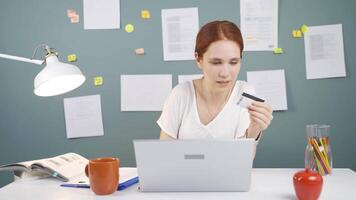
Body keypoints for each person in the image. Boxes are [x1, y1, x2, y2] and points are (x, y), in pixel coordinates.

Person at [157, 20, 273, 141]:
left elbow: (244, 158)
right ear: (198, 59)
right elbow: (164, 154)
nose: (225, 73)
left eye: (234, 62)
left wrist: (254, 130)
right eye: (216, 62)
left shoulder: (245, 93)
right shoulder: (180, 94)